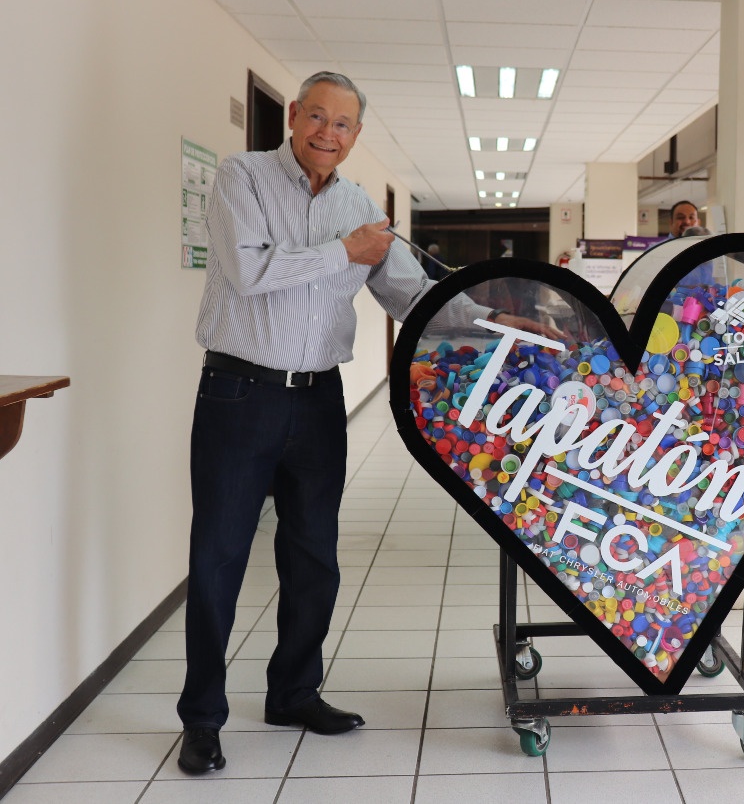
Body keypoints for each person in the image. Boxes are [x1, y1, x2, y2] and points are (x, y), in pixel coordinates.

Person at [177, 71, 558, 775]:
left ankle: (294, 693)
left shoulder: (357, 205)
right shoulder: (242, 178)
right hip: (238, 392)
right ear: (294, 116)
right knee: (219, 557)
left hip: (318, 398)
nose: (328, 132)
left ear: (355, 135)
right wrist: (344, 251)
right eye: (317, 116)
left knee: (314, 557)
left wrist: (497, 322)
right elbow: (250, 271)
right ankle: (201, 717)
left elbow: (411, 295)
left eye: (343, 123)